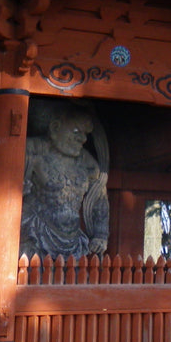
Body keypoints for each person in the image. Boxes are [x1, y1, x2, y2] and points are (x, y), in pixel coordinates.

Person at [20, 103, 109, 258]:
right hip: (36, 232)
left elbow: (99, 199)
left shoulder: (87, 163)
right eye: (76, 131)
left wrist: (101, 234)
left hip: (73, 238)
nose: (82, 138)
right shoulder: (33, 151)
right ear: (55, 127)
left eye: (85, 134)